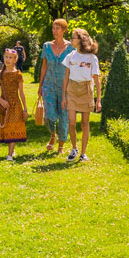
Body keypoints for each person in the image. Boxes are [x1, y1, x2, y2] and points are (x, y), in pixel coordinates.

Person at [62, 28, 101, 162]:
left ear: (81, 40)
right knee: (71, 122)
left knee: (85, 123)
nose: (71, 40)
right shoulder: (71, 56)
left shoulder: (92, 58)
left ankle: (83, 153)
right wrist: (63, 97)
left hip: (86, 89)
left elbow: (96, 79)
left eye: (73, 38)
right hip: (72, 89)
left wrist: (98, 100)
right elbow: (66, 77)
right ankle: (74, 148)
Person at [37, 19, 74, 154]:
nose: (55, 31)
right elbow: (44, 67)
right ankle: (53, 135)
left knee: (64, 115)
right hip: (49, 85)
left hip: (65, 86)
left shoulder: (71, 47)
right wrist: (40, 86)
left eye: (58, 28)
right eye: (53, 28)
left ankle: (61, 145)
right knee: (49, 115)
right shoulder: (47, 46)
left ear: (64, 30)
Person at [0, 48, 28, 161]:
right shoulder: (0, 74)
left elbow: (22, 93)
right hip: (4, 105)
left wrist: (25, 109)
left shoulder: (18, 74)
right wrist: (1, 100)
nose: (7, 59)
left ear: (15, 60)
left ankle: (9, 154)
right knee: (6, 127)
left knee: (12, 127)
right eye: (6, 57)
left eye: (10, 57)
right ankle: (12, 151)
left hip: (15, 105)